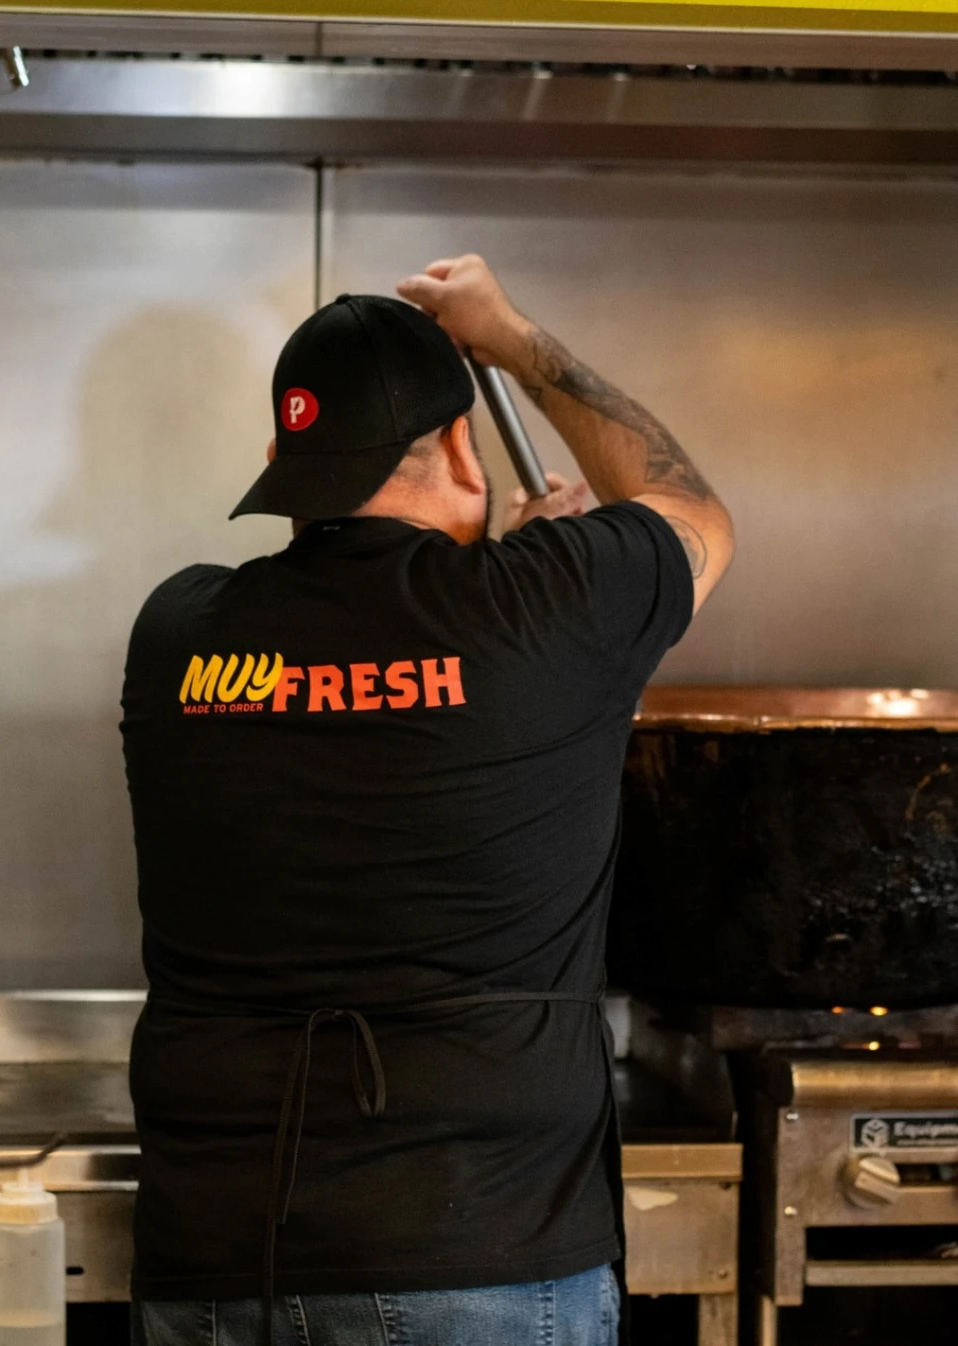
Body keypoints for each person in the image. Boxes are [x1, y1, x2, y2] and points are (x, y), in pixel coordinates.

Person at [121, 254, 734, 1346]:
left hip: (217, 1254)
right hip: (485, 1251)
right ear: (460, 443)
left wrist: (506, 580)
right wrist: (512, 338)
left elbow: (364, 707)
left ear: (284, 463)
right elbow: (690, 504)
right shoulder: (549, 609)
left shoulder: (176, 633)